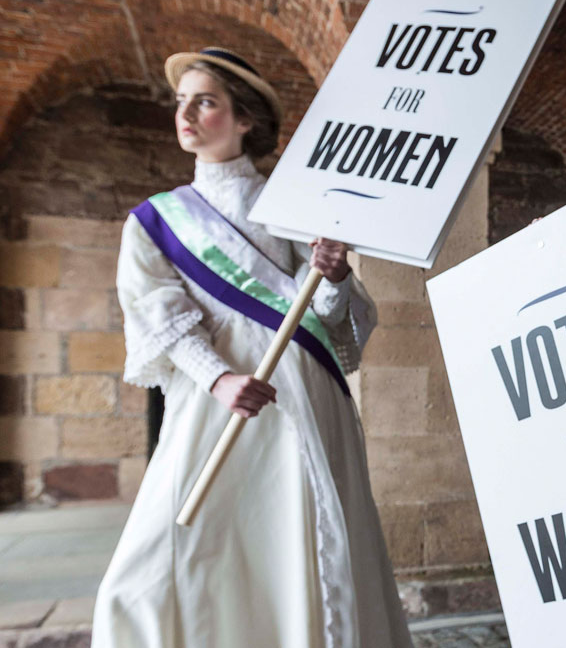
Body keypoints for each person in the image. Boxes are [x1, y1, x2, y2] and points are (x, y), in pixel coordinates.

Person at [93, 47, 413, 648]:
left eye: (205, 101)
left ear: (244, 120)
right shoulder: (154, 222)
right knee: (150, 570)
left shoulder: (295, 208)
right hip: (220, 403)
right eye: (181, 101)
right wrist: (219, 380)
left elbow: (332, 320)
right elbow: (159, 316)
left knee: (301, 544)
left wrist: (336, 275)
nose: (185, 113)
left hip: (308, 401)